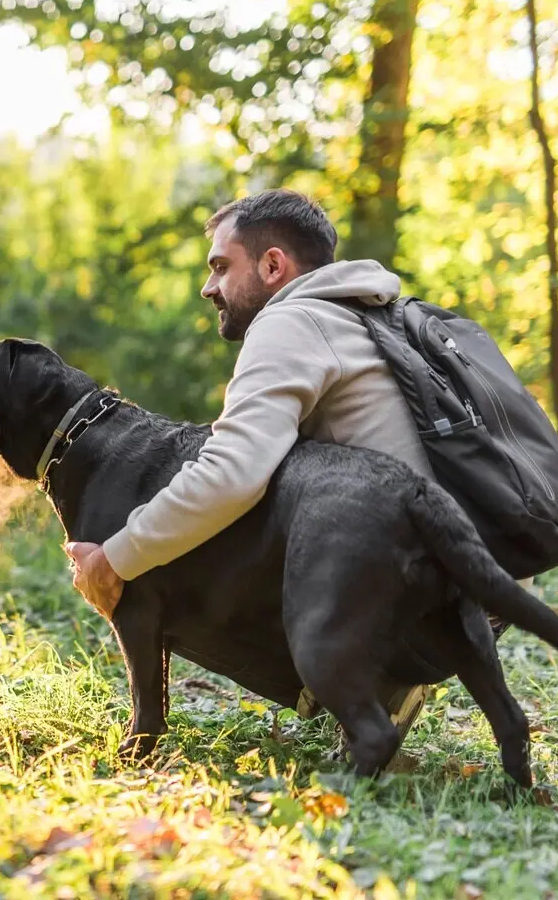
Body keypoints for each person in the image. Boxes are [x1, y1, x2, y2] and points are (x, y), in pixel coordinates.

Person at [64, 187, 439, 743]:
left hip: (416, 594)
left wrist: (114, 560)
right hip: (472, 577)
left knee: (178, 546)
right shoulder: (373, 313)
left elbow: (230, 476)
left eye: (220, 266)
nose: (207, 287)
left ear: (272, 265)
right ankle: (377, 681)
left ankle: (370, 685)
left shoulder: (291, 324)